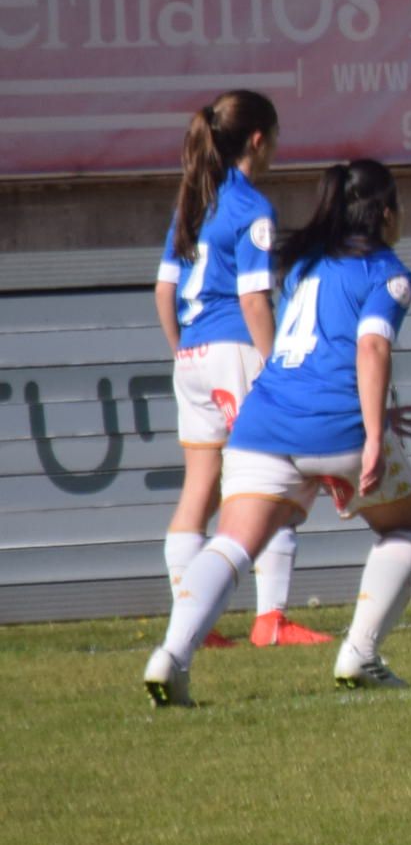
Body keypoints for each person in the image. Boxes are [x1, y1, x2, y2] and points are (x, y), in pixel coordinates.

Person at [142, 161, 411, 704]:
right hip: (335, 428)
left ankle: (171, 656)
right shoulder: (388, 272)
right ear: (386, 213)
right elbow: (369, 348)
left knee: (231, 543)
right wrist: (374, 433)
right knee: (408, 527)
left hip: (263, 422)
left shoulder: (305, 266)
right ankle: (361, 654)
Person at [153, 90, 324, 648]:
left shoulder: (193, 202)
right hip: (235, 350)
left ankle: (192, 624)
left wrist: (183, 350)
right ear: (259, 140)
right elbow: (255, 301)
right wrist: (278, 368)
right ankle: (270, 619)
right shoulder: (252, 208)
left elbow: (164, 290)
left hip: (194, 357)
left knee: (198, 491)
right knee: (271, 479)